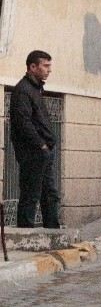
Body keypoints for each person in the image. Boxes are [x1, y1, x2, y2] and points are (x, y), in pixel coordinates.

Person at [10, 50, 60, 229]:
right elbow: (23, 123)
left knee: (50, 195)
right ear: (32, 67)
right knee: (30, 196)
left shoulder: (35, 89)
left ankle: (53, 233)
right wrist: (42, 145)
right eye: (45, 66)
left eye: (49, 66)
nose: (49, 70)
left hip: (43, 152)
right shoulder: (23, 90)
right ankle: (25, 235)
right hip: (33, 153)